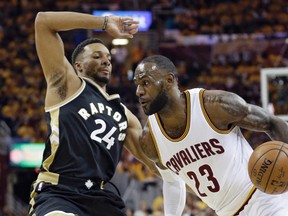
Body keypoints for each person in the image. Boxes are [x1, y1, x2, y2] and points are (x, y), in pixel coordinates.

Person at [28, 11, 158, 216]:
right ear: (78, 66)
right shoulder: (67, 85)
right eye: (97, 56)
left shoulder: (123, 113)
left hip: (100, 198)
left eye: (108, 58)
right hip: (60, 193)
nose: (106, 61)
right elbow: (43, 22)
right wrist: (104, 23)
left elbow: (154, 162)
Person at [133, 54, 288, 216]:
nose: (139, 91)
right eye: (137, 85)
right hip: (225, 212)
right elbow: (172, 181)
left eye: (145, 83)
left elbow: (271, 122)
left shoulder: (213, 106)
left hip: (265, 199)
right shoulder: (149, 139)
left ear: (169, 80)